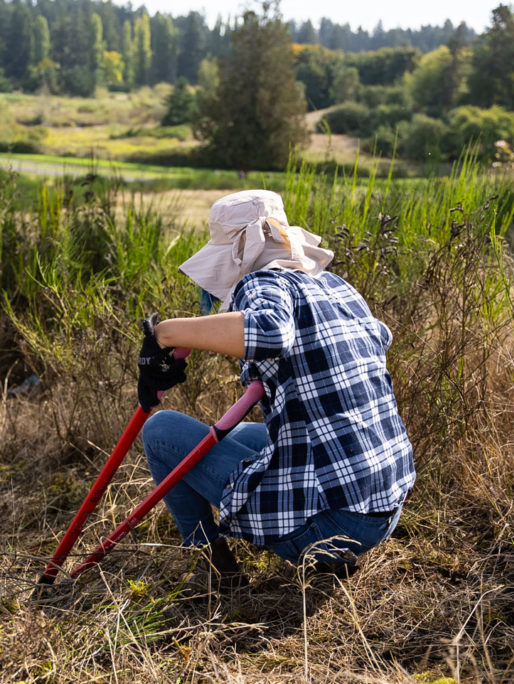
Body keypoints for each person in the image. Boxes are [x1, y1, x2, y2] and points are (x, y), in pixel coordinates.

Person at [138, 189, 415, 589]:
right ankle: (328, 545)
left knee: (161, 431)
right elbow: (374, 340)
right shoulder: (335, 286)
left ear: (238, 252)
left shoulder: (261, 283)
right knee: (250, 435)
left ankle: (215, 569)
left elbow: (268, 332)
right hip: (384, 508)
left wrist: (163, 334)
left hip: (334, 522)